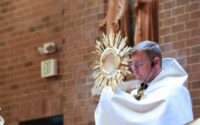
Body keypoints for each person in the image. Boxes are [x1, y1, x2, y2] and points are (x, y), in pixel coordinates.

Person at [95, 41, 194, 125]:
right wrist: (111, 100)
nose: (134, 70)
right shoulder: (139, 91)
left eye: (139, 64)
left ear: (156, 63)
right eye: (132, 65)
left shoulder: (174, 91)